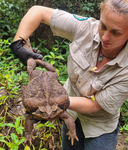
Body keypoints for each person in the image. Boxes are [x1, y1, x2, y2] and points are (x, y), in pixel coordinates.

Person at [9, 0, 128, 149]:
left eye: (116, 32)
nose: (104, 37)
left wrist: (54, 103)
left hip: (100, 126)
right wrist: (18, 45)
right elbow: (37, 11)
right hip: (70, 114)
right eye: (103, 26)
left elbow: (97, 104)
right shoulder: (85, 28)